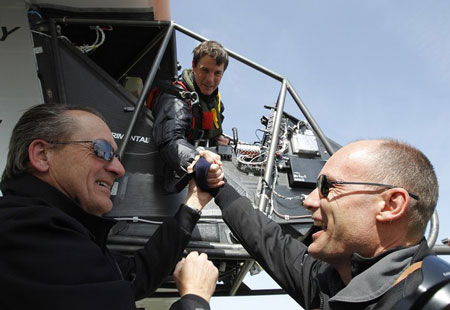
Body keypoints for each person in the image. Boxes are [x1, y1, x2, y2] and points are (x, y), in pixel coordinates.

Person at [0, 103, 220, 310]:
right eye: (102, 150)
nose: (119, 169)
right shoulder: (25, 235)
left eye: (116, 156)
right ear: (41, 155)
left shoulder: (49, 238)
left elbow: (136, 276)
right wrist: (195, 298)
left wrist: (193, 204)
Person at [204, 139, 440, 309]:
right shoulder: (330, 279)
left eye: (327, 187)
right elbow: (267, 239)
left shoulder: (429, 302)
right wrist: (217, 185)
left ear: (391, 205)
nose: (308, 201)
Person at [151, 40, 230, 184]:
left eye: (217, 73)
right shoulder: (175, 99)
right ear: (193, 65)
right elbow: (170, 140)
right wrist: (197, 162)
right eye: (205, 70)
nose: (210, 80)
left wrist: (217, 138)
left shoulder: (215, 103)